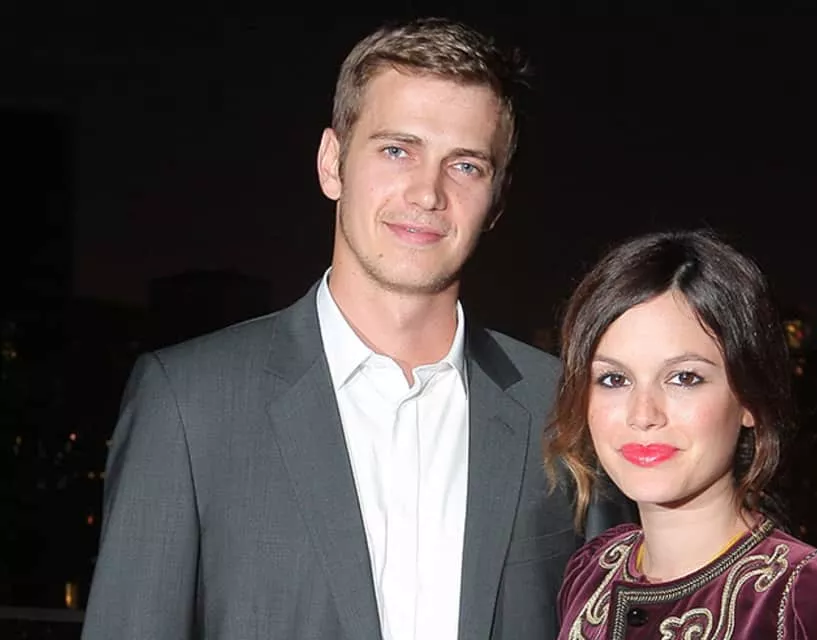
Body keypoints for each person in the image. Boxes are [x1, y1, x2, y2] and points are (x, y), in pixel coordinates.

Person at [82, 17, 610, 640]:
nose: (427, 192)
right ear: (332, 163)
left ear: (496, 198)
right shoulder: (189, 403)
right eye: (397, 150)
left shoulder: (566, 409)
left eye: (466, 165)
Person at [545, 229, 817, 639]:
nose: (643, 414)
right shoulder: (591, 573)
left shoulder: (813, 601)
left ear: (749, 399)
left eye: (684, 378)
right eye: (614, 379)